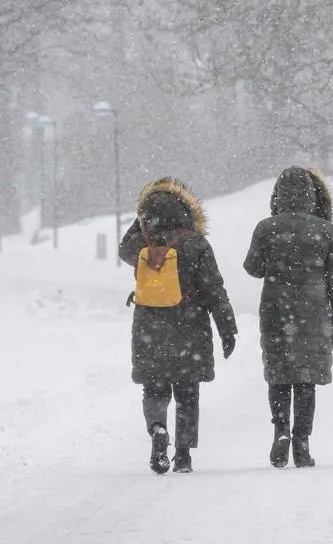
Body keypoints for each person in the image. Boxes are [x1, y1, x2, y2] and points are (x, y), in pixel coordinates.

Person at [119, 177, 238, 475]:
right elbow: (214, 288)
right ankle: (183, 455)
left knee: (155, 388)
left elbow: (123, 249)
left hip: (149, 326)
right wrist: (227, 327)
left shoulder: (141, 241)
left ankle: (158, 429)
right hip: (190, 325)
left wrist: (142, 221)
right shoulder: (195, 242)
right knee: (187, 393)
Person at [244, 167, 333, 468]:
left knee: (279, 375)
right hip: (314, 312)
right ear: (312, 196)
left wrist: (275, 258)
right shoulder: (325, 230)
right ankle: (302, 441)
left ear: (278, 196)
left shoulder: (267, 228)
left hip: (276, 309)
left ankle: (281, 432)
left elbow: (253, 267)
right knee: (306, 380)